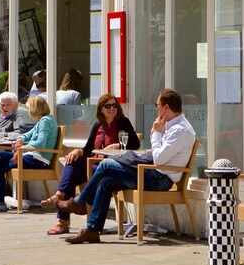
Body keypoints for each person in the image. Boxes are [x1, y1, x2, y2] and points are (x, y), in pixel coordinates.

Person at [57, 88, 195, 244]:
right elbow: (160, 155)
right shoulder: (171, 126)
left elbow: (159, 158)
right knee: (105, 182)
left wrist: (156, 134)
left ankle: (79, 203)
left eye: (157, 105)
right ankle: (92, 230)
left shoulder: (180, 130)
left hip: (159, 179)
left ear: (166, 107)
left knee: (107, 164)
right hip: (153, 173)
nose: (156, 108)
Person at [43, 93, 139, 235]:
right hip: (92, 163)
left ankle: (62, 217)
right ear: (101, 109)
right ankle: (62, 198)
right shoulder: (98, 125)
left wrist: (116, 146)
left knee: (71, 174)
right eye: (108, 106)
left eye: (114, 105)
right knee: (72, 161)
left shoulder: (123, 122)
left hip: (107, 167)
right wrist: (77, 151)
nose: (112, 108)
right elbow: (88, 149)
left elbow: (135, 143)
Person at [0, 94, 58, 213]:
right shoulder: (43, 121)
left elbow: (40, 144)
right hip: (32, 156)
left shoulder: (45, 122)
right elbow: (28, 134)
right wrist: (20, 139)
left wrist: (22, 148)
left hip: (39, 160)